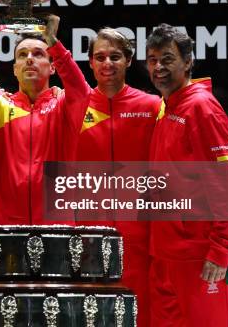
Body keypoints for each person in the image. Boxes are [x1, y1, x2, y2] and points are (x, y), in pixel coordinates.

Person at [146, 23, 228, 326]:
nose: (158, 67)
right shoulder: (168, 107)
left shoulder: (202, 108)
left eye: (167, 59)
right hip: (168, 255)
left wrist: (222, 249)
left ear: (188, 62)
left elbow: (226, 182)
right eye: (152, 59)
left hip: (201, 258)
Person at [0, 14, 89, 225]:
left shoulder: (64, 106)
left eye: (38, 54)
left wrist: (53, 42)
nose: (29, 58)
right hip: (6, 229)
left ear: (53, 66)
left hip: (57, 228)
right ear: (14, 69)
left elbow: (82, 92)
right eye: (22, 54)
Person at [76, 27, 160, 327]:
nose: (107, 64)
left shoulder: (151, 107)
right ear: (89, 62)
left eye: (115, 57)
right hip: (87, 235)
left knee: (141, 314)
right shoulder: (73, 107)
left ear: (128, 60)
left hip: (139, 235)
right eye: (100, 57)